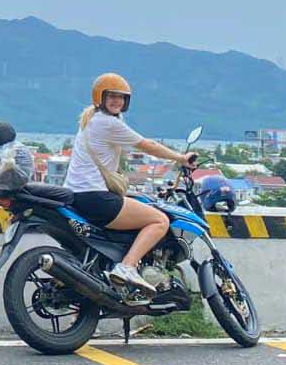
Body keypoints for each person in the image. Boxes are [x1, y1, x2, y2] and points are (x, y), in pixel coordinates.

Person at [63, 73, 197, 295]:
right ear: (101, 97)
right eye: (112, 96)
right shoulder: (107, 123)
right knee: (159, 220)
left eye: (122, 97)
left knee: (136, 204)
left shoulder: (90, 120)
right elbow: (148, 146)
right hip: (95, 197)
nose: (118, 101)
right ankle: (127, 267)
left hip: (80, 195)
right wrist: (181, 158)